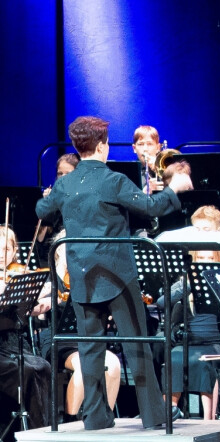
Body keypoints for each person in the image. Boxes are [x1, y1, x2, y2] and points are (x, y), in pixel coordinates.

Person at [36, 116, 194, 430]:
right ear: (101, 146)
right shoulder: (113, 180)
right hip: (118, 276)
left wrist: (50, 199)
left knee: (90, 349)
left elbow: (43, 211)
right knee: (137, 343)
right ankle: (154, 415)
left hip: (82, 276)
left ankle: (96, 417)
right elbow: (150, 207)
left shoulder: (66, 184)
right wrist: (174, 189)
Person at [36, 229, 122, 422]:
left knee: (113, 364)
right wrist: (47, 300)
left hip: (85, 337)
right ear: (59, 251)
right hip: (56, 339)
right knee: (85, 366)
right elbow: (35, 312)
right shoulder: (48, 279)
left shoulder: (87, 279)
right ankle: (70, 421)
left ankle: (104, 418)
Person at [0, 226, 52, 432]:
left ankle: (38, 431)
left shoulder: (17, 276)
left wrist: (40, 304)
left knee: (42, 366)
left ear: (14, 251)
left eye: (6, 249)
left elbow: (29, 311)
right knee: (26, 370)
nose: (1, 255)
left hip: (14, 343)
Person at [131, 125, 164, 193]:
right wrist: (146, 191)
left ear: (158, 148)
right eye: (140, 144)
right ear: (134, 148)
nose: (145, 149)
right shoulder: (129, 173)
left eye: (149, 144)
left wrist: (157, 168)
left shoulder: (168, 168)